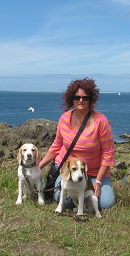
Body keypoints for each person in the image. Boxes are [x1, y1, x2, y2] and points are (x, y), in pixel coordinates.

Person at [39, 77, 116, 210]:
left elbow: (108, 154)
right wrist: (38, 166)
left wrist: (98, 181)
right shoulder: (64, 119)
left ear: (91, 99)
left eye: (85, 98)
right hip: (69, 170)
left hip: (93, 172)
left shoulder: (101, 122)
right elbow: (56, 146)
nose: (81, 100)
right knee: (62, 200)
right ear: (71, 99)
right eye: (77, 97)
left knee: (105, 204)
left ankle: (86, 200)